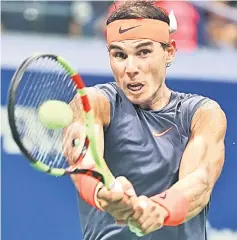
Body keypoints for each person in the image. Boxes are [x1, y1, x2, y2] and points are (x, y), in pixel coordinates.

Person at [64, 1, 227, 239]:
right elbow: (84, 167)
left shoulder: (203, 114)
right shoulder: (92, 103)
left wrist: (159, 209)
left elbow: (199, 182)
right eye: (119, 55)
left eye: (144, 52)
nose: (131, 68)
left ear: (169, 51)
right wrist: (104, 194)